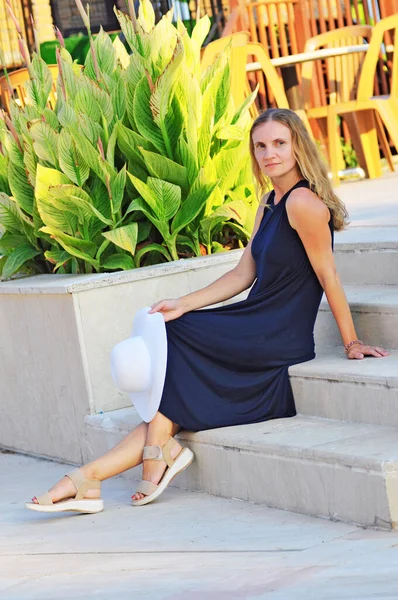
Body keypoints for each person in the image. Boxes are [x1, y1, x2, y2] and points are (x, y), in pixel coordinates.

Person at [25, 108, 388, 514]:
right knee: (175, 353)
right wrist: (185, 301)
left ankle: (132, 465)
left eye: (280, 143)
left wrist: (352, 341)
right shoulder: (270, 201)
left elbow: (329, 276)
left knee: (177, 336)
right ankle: (93, 477)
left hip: (278, 334)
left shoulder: (303, 203)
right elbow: (243, 273)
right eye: (261, 146)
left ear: (298, 145)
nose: (270, 154)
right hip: (257, 320)